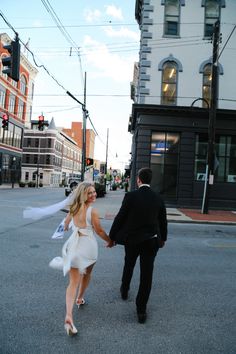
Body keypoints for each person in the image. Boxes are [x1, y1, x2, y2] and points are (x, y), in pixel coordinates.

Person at [50, 182, 113, 336]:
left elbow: (65, 225)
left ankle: (69, 315)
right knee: (87, 274)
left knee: (73, 282)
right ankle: (80, 298)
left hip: (74, 246)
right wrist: (110, 241)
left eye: (94, 192)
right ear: (83, 194)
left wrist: (70, 225)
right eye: (90, 193)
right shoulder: (92, 211)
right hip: (89, 247)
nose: (94, 195)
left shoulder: (73, 208)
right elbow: (99, 230)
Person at [109, 167, 167, 324]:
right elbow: (163, 221)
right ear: (150, 180)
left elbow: (120, 217)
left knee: (129, 264)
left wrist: (111, 237)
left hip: (132, 241)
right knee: (146, 275)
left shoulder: (131, 196)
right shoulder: (158, 198)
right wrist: (163, 239)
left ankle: (124, 290)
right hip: (151, 241)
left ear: (138, 180)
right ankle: (141, 310)